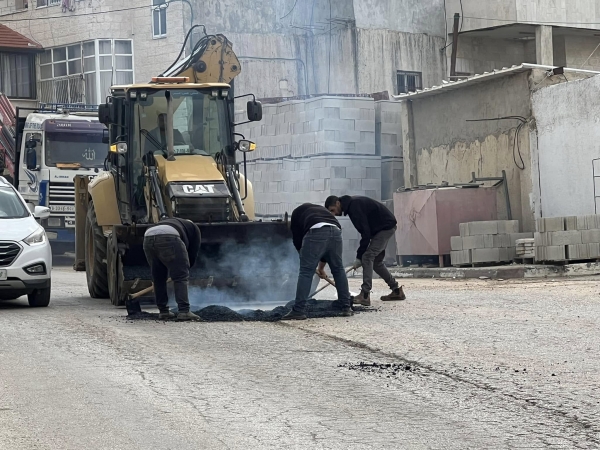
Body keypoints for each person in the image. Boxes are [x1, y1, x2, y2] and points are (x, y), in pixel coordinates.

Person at [325, 195, 406, 306]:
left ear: (338, 203)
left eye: (333, 210)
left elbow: (365, 233)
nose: (333, 214)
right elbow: (366, 231)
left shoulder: (354, 207)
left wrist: (359, 257)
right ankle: (396, 290)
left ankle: (365, 295)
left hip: (384, 228)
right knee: (376, 262)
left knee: (367, 257)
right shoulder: (352, 205)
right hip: (382, 228)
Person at [282, 203, 353, 320]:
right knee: (338, 269)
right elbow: (325, 251)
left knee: (306, 272)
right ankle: (346, 307)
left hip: (316, 231)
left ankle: (298, 310)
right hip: (336, 231)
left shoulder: (296, 215)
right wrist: (320, 268)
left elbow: (297, 240)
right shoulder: (319, 211)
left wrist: (303, 257)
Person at [143, 218, 203, 321]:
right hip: (169, 237)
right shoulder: (194, 228)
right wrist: (186, 268)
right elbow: (193, 252)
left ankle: (163, 311)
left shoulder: (172, 222)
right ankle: (184, 311)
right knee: (180, 277)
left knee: (158, 277)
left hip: (148, 237)